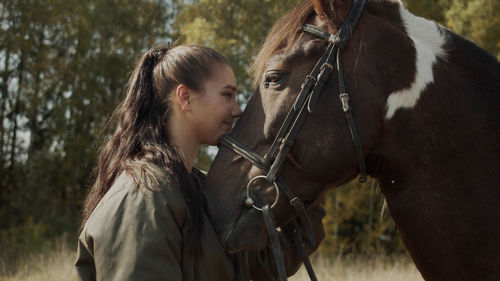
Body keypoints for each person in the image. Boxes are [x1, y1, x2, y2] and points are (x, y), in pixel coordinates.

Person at [75, 44, 324, 281]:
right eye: (227, 95)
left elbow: (265, 261)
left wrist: (315, 179)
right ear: (185, 97)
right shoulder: (143, 197)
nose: (237, 111)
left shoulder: (198, 189)